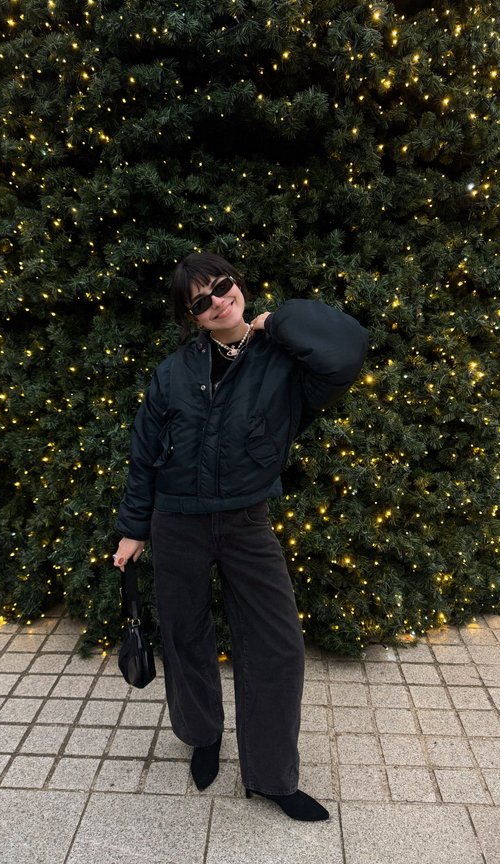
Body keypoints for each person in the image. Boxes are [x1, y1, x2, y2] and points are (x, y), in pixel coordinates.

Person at [113, 252, 368, 821]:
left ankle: (273, 776)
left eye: (221, 287)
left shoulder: (285, 361)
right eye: (200, 302)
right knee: (185, 634)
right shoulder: (173, 372)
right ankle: (203, 735)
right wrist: (133, 530)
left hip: (247, 519)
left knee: (278, 645)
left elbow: (347, 349)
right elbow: (144, 455)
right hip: (175, 520)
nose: (216, 302)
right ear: (192, 317)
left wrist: (276, 323)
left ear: (238, 285)